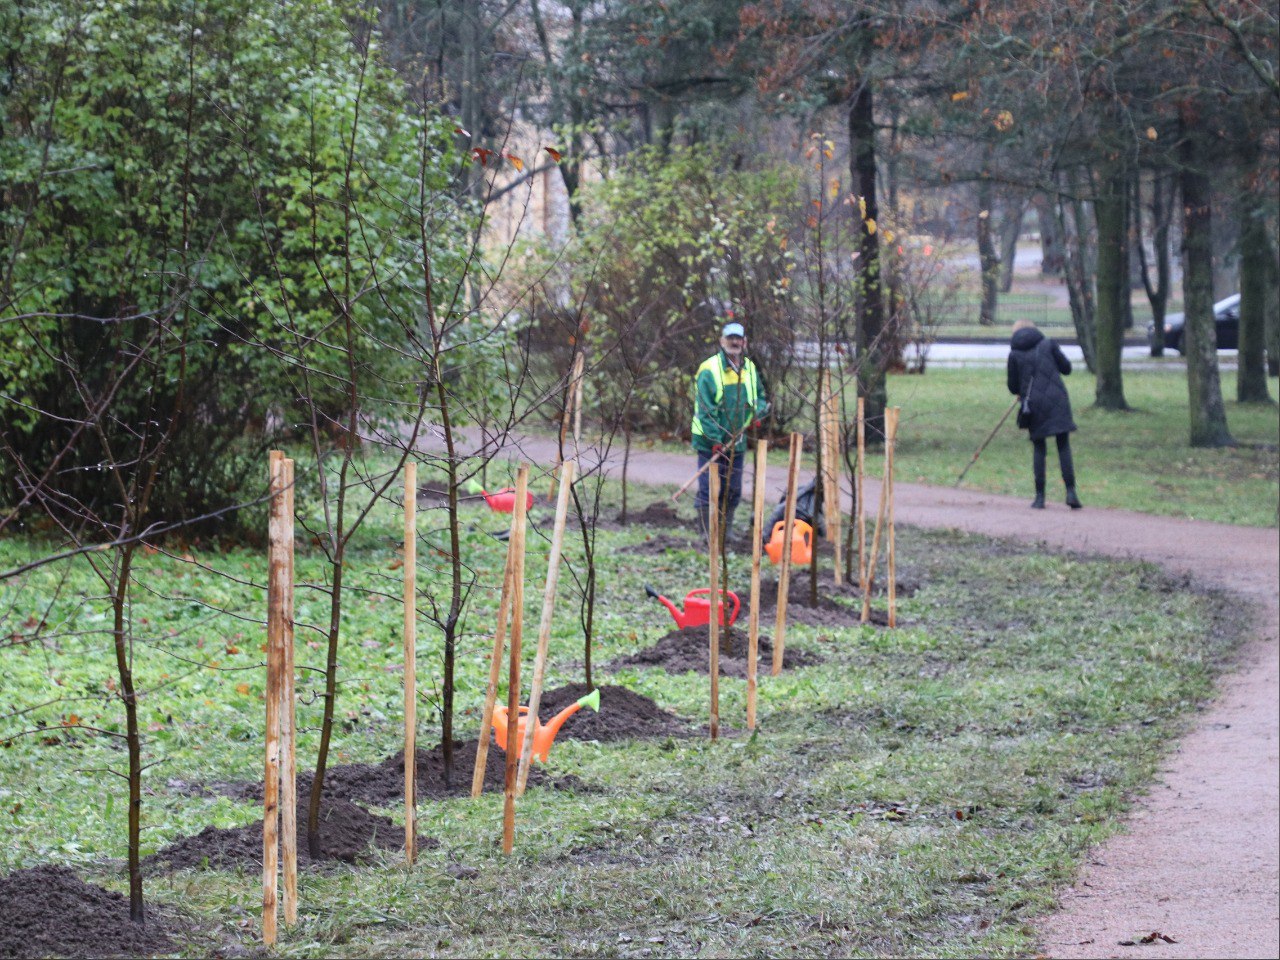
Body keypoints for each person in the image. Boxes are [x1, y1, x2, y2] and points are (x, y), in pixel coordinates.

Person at [691, 317, 770, 538]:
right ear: (722, 340)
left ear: (744, 342)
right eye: (730, 337)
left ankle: (726, 532)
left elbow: (761, 398)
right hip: (711, 443)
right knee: (709, 489)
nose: (735, 342)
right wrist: (716, 440)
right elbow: (706, 410)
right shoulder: (710, 370)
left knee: (733, 489)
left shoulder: (749, 368)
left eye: (738, 338)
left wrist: (757, 413)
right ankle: (707, 534)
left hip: (738, 441)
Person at [1007, 318, 1082, 510]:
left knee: (1039, 448)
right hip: (1057, 399)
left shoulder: (1014, 354)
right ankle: (1071, 492)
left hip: (1033, 405)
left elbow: (1012, 386)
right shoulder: (1048, 344)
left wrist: (1021, 391)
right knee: (1063, 444)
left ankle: (1040, 497)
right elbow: (1067, 368)